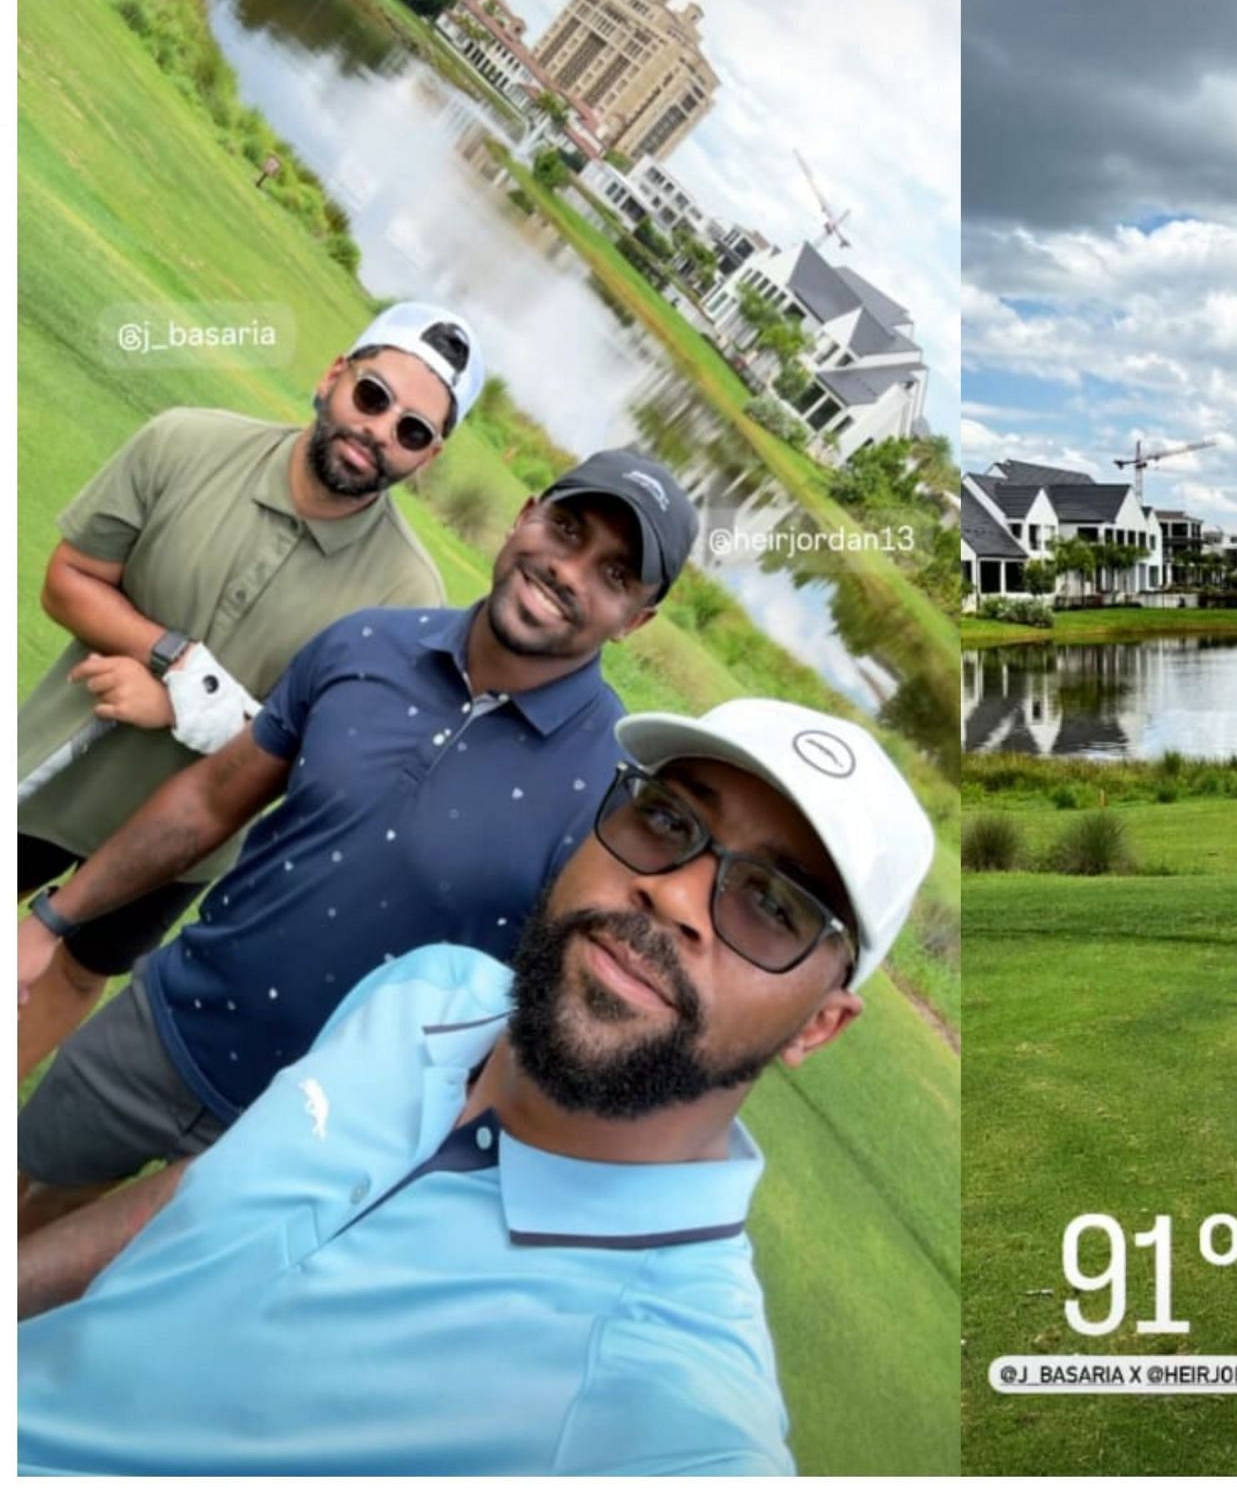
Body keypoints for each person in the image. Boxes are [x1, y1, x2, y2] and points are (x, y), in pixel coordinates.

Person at [18, 698, 936, 1476]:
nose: (679, 896)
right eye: (666, 820)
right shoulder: (431, 989)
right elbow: (206, 1199)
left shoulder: (668, 1405)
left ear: (820, 1023)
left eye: (774, 907)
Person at [17, 449, 700, 1235]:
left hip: (316, 1140)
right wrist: (53, 922)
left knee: (103, 1314)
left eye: (614, 575)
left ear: (638, 620)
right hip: (168, 1027)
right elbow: (210, 800)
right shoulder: (365, 644)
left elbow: (544, 1019)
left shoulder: (611, 799)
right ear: (526, 514)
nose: (567, 571)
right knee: (27, 1200)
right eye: (567, 528)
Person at [17, 302, 480, 1080]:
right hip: (57, 760)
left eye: (413, 430)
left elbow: (324, 765)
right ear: (334, 376)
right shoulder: (186, 441)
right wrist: (168, 654)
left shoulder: (408, 600)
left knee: (78, 967)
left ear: (427, 458)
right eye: (374, 396)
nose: (380, 431)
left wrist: (184, 705)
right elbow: (68, 580)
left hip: (183, 847)